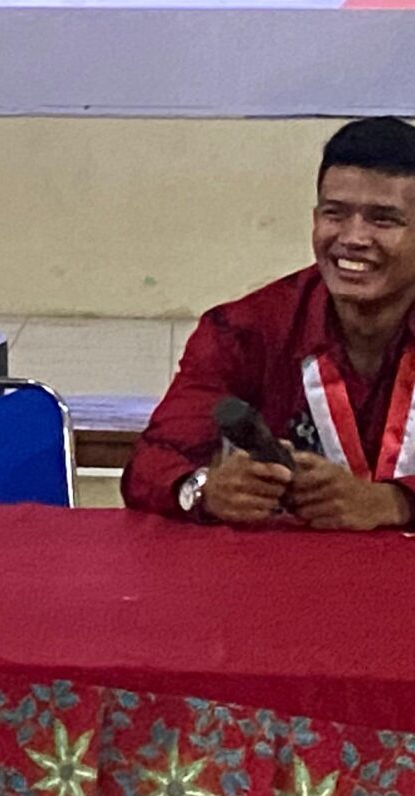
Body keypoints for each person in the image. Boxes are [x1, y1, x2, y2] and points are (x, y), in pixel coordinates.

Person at [125, 116, 415, 530]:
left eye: (383, 219)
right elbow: (150, 464)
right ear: (315, 218)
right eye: (334, 214)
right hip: (289, 566)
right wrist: (206, 489)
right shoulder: (247, 330)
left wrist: (394, 502)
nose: (352, 238)